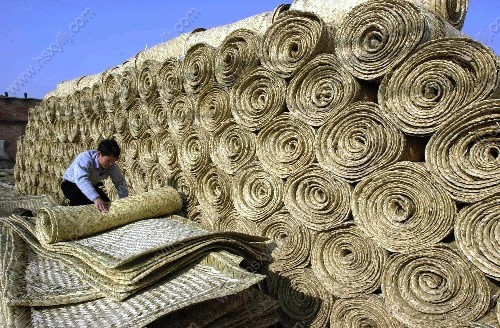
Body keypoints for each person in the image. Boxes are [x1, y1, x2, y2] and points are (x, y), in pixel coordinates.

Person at [61, 139, 128, 213]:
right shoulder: (84, 159)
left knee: (106, 206)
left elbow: (120, 182)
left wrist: (124, 200)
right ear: (99, 154)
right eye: (108, 160)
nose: (111, 164)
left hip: (91, 184)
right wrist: (96, 198)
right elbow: (82, 180)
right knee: (82, 208)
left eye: (114, 161)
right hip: (71, 185)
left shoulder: (112, 165)